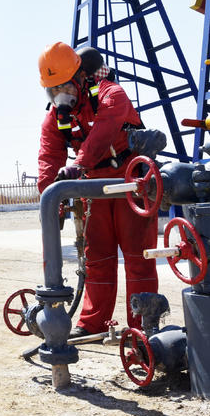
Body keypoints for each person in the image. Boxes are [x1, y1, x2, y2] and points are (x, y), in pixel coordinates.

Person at [35, 41, 159, 339]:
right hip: (94, 189)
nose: (60, 94)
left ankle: (141, 327)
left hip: (130, 183)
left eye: (64, 85)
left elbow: (104, 132)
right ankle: (93, 323)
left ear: (81, 77)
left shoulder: (111, 95)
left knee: (138, 258)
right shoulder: (56, 119)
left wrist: (79, 164)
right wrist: (50, 201)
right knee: (97, 258)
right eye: (53, 89)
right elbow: (48, 156)